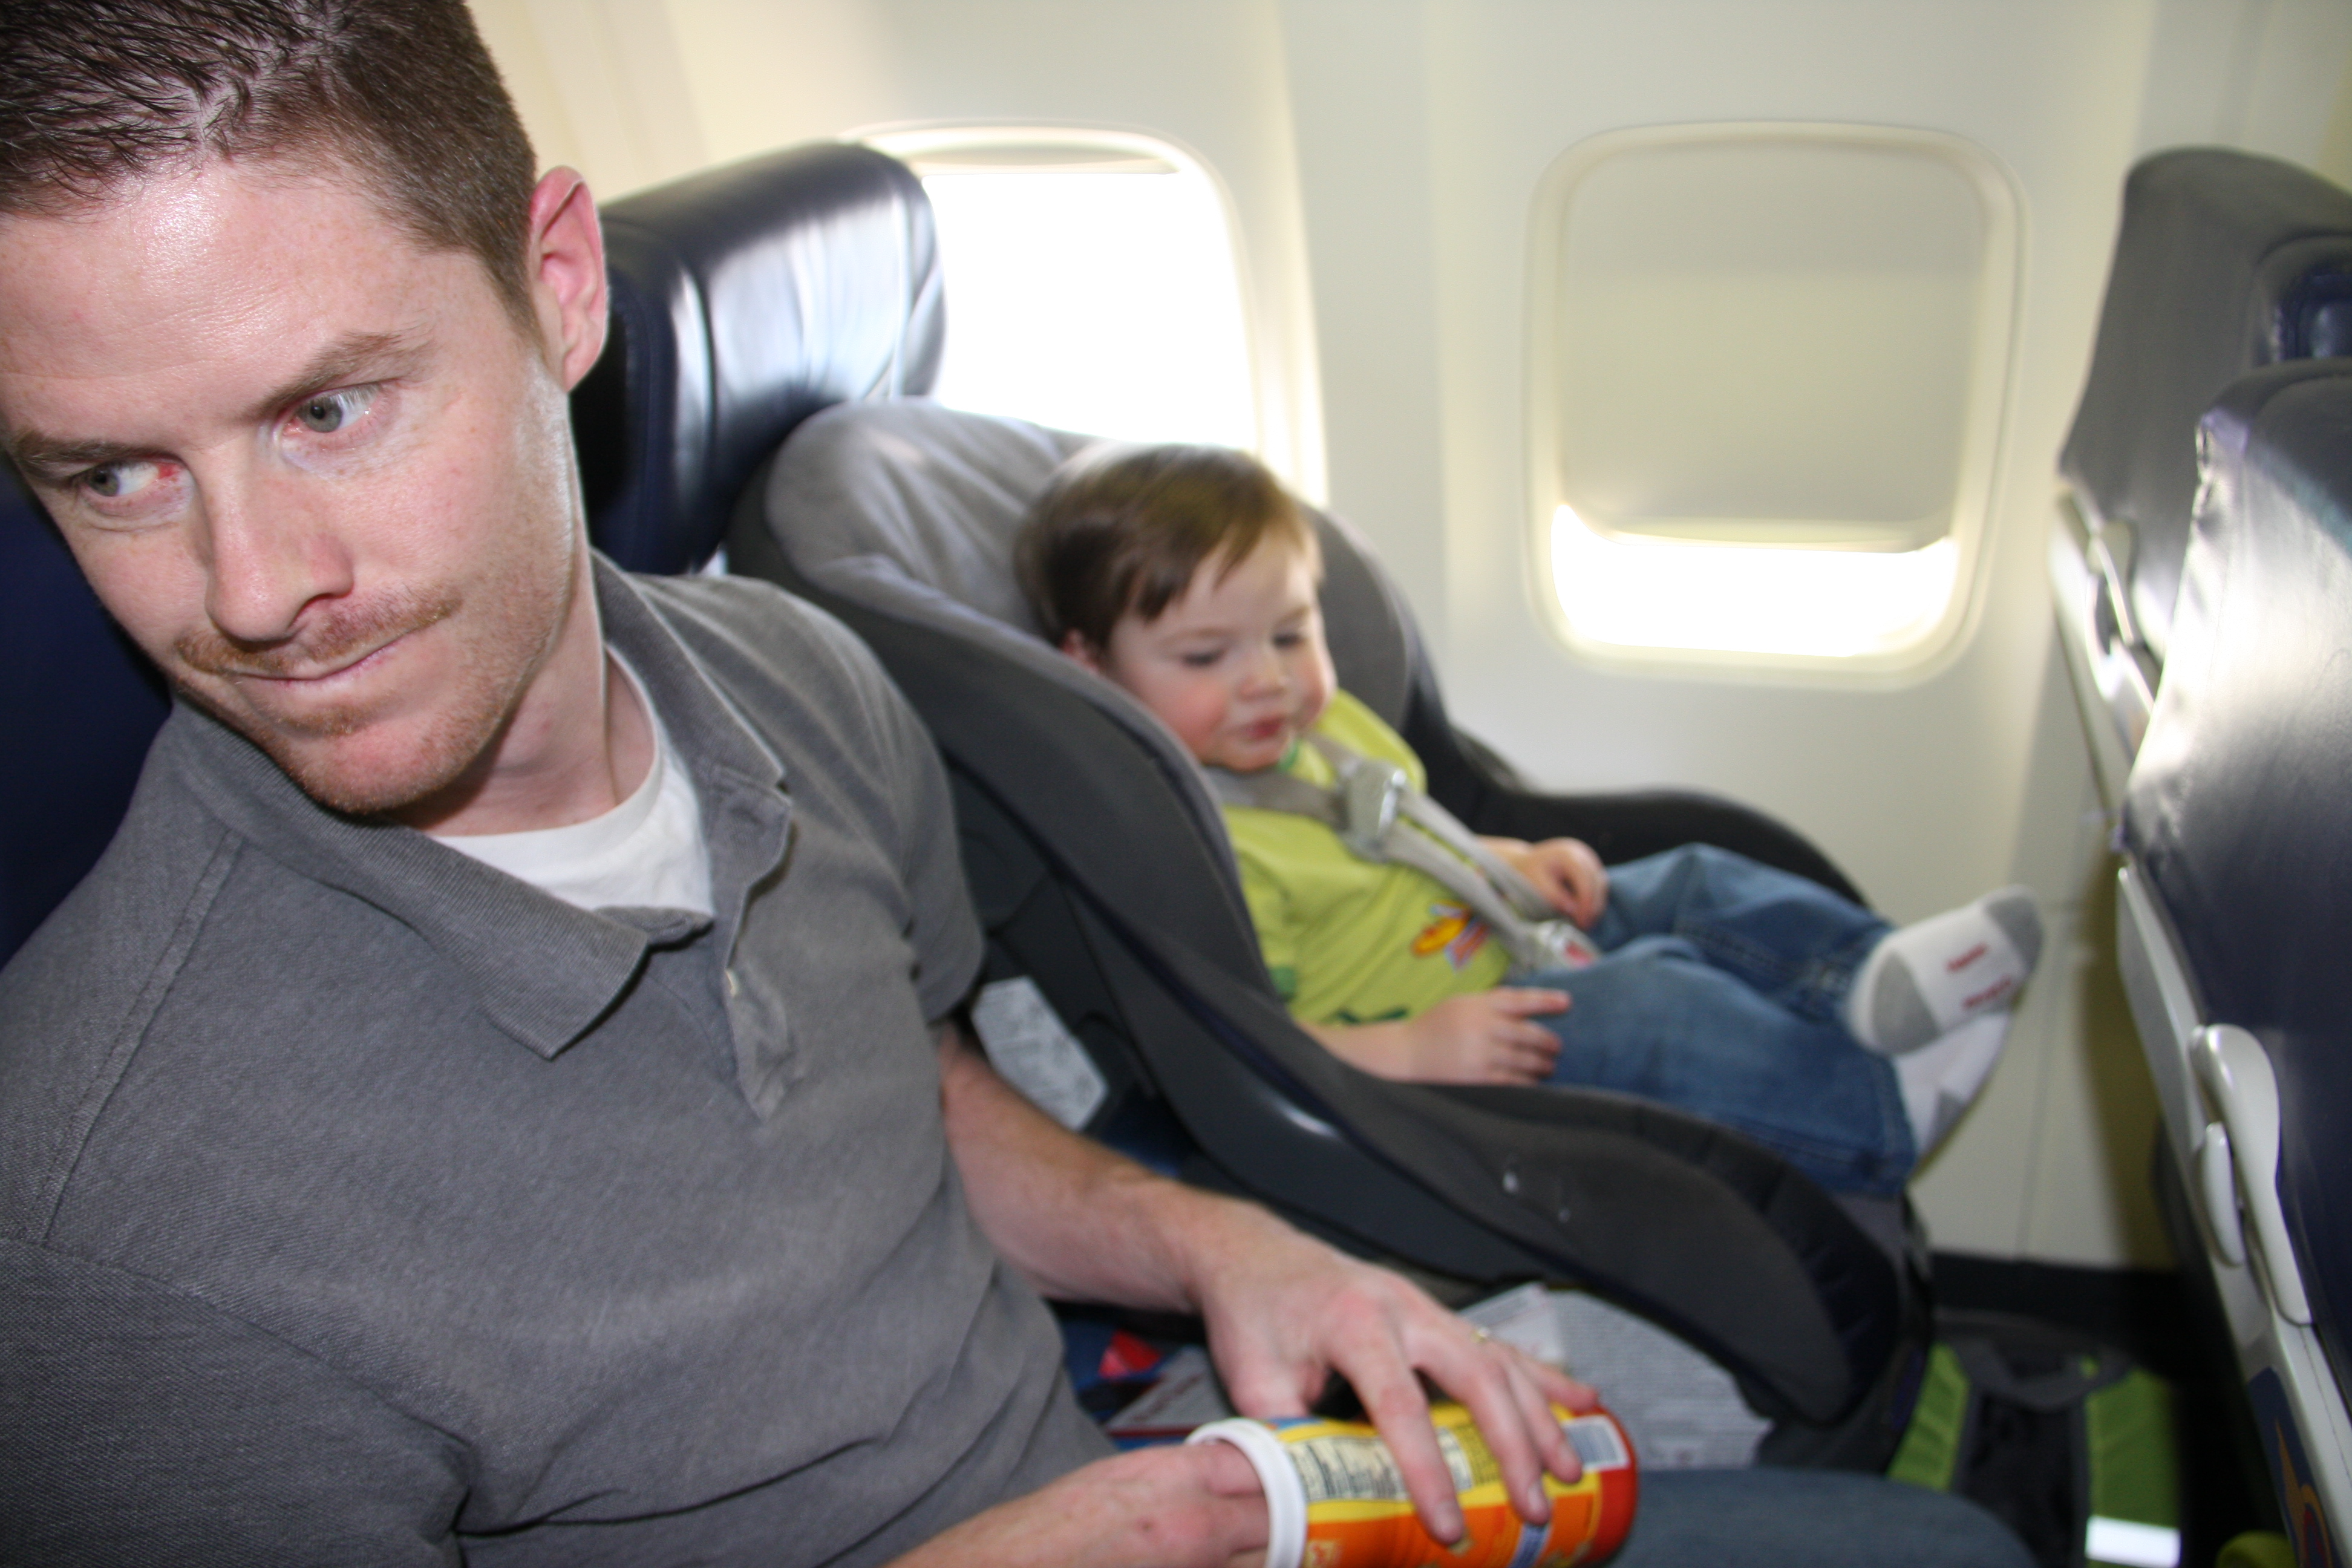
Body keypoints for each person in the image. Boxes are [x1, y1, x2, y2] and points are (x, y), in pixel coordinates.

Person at [0, 4, 2030, 1565]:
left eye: (327, 410)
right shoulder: (110, 1238)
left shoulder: (801, 685)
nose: (248, 591)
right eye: (113, 473)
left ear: (560, 285)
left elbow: (921, 1094)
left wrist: (1216, 1248)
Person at [1019, 443, 2044, 1195]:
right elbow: (1254, 1043)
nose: (1267, 682)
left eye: (1290, 634)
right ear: (1091, 668)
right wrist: (1414, 1050)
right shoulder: (1201, 846)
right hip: (1461, 1051)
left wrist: (1512, 858)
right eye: (1207, 657)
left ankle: (1871, 979)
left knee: (1690, 877)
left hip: (1501, 929)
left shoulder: (1323, 730)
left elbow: (1403, 834)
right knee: (1652, 1002)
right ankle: (1873, 1117)